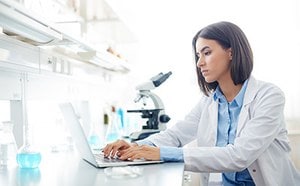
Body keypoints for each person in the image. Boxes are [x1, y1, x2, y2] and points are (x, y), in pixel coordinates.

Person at [102, 21, 300, 185]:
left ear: (231, 52)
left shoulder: (269, 96)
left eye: (207, 53)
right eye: (198, 55)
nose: (199, 63)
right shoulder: (209, 101)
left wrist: (160, 153)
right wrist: (134, 146)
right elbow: (176, 135)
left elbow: (239, 156)